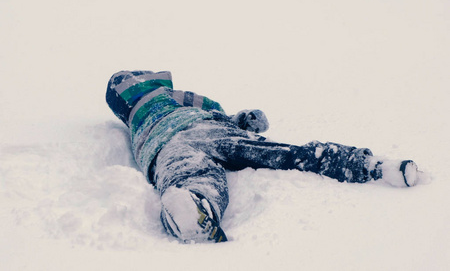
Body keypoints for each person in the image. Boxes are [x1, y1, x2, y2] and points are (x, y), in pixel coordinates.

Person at [106, 70, 419, 243]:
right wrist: (243, 120)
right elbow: (215, 109)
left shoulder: (134, 125)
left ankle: (192, 206)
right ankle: (370, 166)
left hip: (166, 151)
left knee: (193, 176)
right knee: (282, 155)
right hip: (208, 128)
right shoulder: (176, 97)